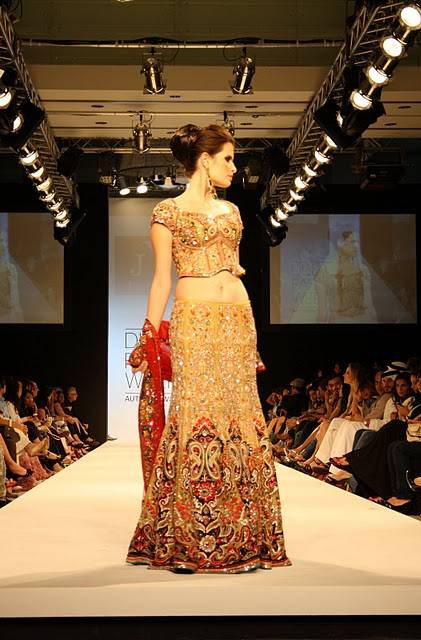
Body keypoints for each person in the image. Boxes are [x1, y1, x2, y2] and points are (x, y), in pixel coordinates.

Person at [126, 124, 291, 573]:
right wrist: (148, 332)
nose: (234, 168)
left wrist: (232, 271)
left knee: (240, 416)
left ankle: (245, 533)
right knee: (195, 416)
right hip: (194, 322)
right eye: (228, 159)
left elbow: (233, 265)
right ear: (204, 160)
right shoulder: (167, 212)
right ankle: (188, 536)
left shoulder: (232, 212)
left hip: (237, 320)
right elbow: (161, 279)